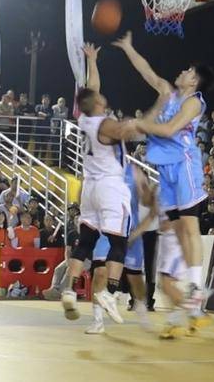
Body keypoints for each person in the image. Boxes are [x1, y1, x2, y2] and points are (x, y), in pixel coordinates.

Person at [113, 31, 214, 331]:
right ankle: (187, 309)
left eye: (188, 71)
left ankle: (195, 289)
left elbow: (169, 130)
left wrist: (139, 123)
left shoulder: (194, 102)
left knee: (190, 227)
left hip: (184, 166)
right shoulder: (169, 93)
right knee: (178, 229)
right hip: (165, 171)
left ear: (194, 81)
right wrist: (129, 49)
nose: (182, 71)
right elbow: (147, 73)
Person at [60, 43, 140, 325]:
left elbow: (92, 88)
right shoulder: (105, 124)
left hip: (90, 188)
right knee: (119, 242)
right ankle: (111, 293)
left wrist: (92, 61)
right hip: (109, 186)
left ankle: (69, 290)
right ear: (96, 104)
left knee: (86, 241)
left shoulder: (85, 120)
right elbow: (125, 131)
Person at [85, 165, 154, 335]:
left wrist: (138, 231)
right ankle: (98, 321)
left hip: (132, 232)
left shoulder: (134, 172)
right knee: (99, 272)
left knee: (135, 278)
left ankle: (141, 308)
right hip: (107, 230)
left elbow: (151, 205)